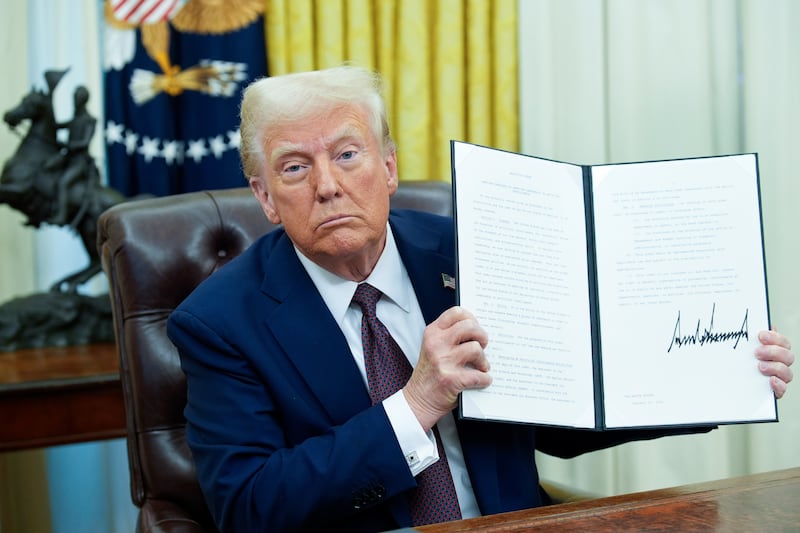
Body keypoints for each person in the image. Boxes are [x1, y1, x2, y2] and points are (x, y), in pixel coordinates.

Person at [166, 66, 795, 533]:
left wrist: (714, 375)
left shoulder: (472, 252)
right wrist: (416, 404)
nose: (328, 185)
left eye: (348, 154)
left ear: (387, 166)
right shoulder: (220, 322)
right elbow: (248, 508)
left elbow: (561, 413)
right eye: (295, 168)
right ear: (266, 197)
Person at [44, 85, 100, 227]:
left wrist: (68, 145)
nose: (75, 101)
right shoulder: (75, 119)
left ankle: (61, 215)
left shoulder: (89, 120)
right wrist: (49, 99)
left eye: (77, 98)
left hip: (80, 161)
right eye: (74, 98)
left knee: (63, 182)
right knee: (45, 169)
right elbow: (55, 126)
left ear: (83, 100)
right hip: (67, 158)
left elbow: (85, 142)